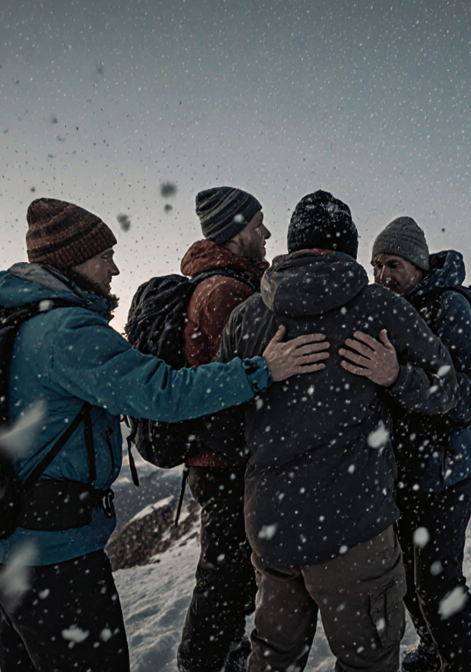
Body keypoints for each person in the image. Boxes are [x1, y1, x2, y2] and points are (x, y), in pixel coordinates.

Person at [0, 197, 329, 672]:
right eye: (104, 257)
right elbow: (162, 391)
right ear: (73, 260)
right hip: (55, 554)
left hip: (9, 546)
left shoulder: (23, 320)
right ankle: (205, 660)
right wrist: (263, 370)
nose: (115, 269)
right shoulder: (68, 332)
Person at [211, 190, 459, 672]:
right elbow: (447, 391)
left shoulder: (247, 317)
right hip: (356, 530)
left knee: (273, 657)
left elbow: (218, 423)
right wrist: (396, 378)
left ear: (292, 243)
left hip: (271, 527)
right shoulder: (380, 308)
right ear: (349, 246)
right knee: (368, 660)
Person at [367, 216, 471, 672]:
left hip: (445, 478)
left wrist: (398, 377)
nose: (382, 276)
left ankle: (461, 665)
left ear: (417, 265)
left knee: (438, 587)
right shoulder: (387, 309)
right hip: (403, 477)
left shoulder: (448, 306)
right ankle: (436, 652)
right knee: (407, 583)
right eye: (376, 264)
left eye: (393, 264)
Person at [175, 186, 272, 672]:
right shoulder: (225, 293)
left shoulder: (228, 283)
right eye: (258, 225)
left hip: (219, 457)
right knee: (225, 576)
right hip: (225, 461)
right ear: (236, 233)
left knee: (230, 574)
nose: (267, 233)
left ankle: (221, 654)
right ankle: (205, 662)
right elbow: (231, 390)